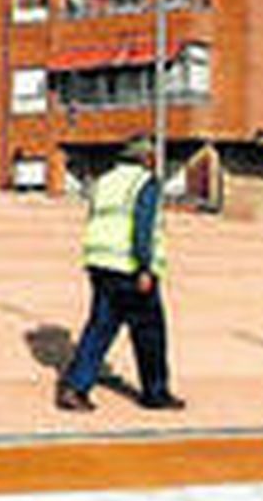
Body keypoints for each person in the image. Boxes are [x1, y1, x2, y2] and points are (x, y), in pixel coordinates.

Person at [57, 135, 186, 413]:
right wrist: (143, 267)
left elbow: (95, 219)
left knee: (100, 328)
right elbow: (142, 226)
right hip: (129, 267)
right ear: (146, 158)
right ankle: (155, 392)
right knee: (150, 332)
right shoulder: (145, 183)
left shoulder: (104, 182)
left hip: (100, 262)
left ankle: (75, 388)